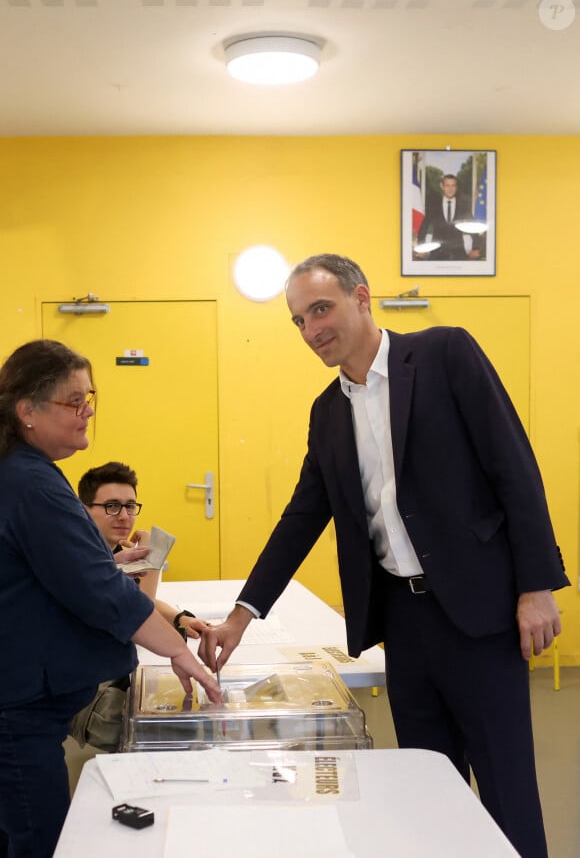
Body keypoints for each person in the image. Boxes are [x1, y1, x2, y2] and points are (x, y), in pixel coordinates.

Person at [198, 254, 569, 858]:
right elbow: (301, 517)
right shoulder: (328, 410)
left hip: (478, 614)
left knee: (506, 788)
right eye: (298, 320)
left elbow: (514, 468)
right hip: (402, 621)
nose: (312, 329)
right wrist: (241, 615)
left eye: (321, 309)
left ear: (362, 297)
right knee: (427, 783)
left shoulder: (446, 354)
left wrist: (536, 586)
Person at [0, 339, 221, 858]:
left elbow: (53, 571)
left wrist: (101, 565)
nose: (89, 411)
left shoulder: (24, 471)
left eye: (89, 396)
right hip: (19, 710)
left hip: (21, 701)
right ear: (27, 410)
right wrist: (179, 651)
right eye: (73, 401)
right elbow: (100, 594)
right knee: (40, 839)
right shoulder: (30, 482)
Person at [78, 461, 205, 638]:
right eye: (112, 506)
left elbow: (135, 596)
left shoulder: (114, 550)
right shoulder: (79, 557)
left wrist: (180, 618)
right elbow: (139, 619)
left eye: (130, 506)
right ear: (84, 510)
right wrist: (151, 557)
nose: (124, 516)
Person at [416, 173, 480, 260]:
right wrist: (421, 248)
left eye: (453, 185)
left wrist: (476, 248)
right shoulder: (433, 205)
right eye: (447, 185)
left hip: (458, 252)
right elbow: (424, 228)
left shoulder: (463, 206)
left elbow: (473, 227)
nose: (450, 189)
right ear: (442, 187)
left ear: (456, 188)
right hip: (437, 253)